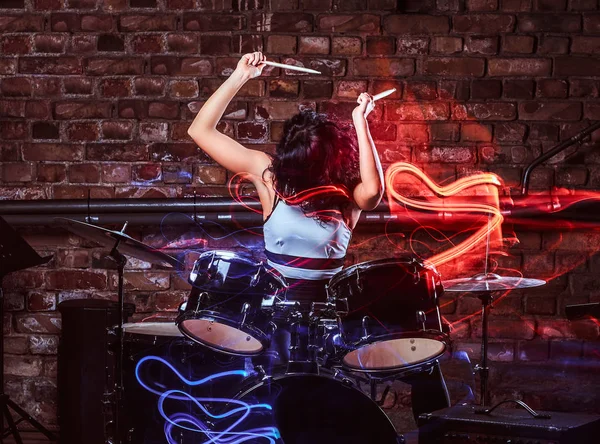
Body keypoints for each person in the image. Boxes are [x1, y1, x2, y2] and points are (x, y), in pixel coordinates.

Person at [187, 51, 449, 421]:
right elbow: (199, 131)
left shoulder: (347, 195)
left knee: (422, 366)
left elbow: (373, 190)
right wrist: (239, 76)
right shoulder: (269, 177)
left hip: (332, 321)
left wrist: (361, 120)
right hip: (273, 314)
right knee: (228, 380)